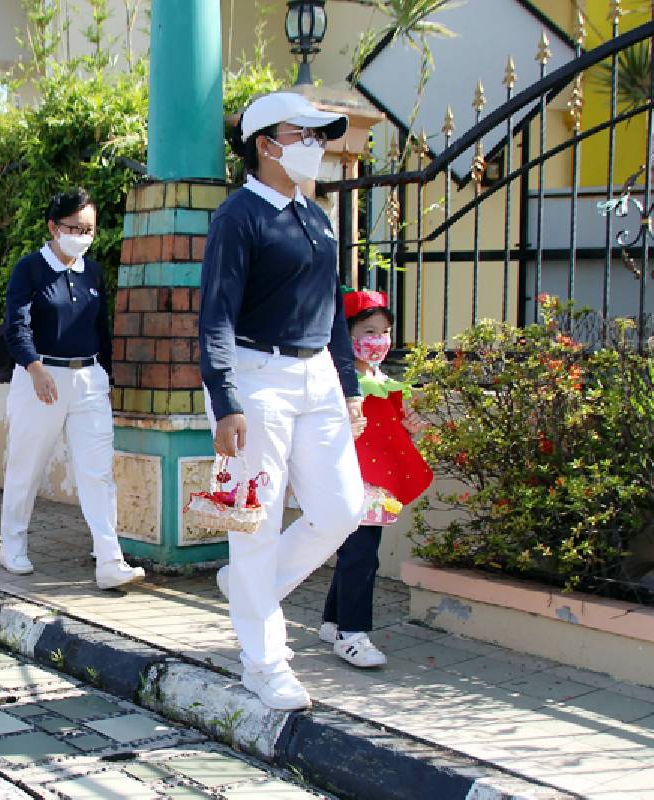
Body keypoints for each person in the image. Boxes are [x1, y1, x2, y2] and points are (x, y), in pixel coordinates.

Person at [198, 92, 367, 710]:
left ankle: (247, 589)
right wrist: (225, 399)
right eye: (306, 135)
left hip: (317, 373)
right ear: (266, 143)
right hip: (254, 375)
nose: (317, 148)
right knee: (253, 523)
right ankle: (265, 663)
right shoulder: (238, 216)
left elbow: (336, 311)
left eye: (321, 138)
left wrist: (347, 388)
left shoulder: (317, 215)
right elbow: (215, 313)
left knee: (343, 509)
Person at [0, 188, 145, 591]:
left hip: (88, 380)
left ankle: (109, 558)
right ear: (52, 227)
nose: (81, 235)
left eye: (88, 229)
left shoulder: (93, 272)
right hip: (41, 379)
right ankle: (12, 544)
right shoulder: (30, 269)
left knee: (97, 471)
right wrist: (34, 366)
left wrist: (108, 377)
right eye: (73, 228)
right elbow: (16, 325)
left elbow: (102, 329)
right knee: (26, 466)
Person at [319, 290, 432, 667]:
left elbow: (390, 428)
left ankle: (334, 622)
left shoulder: (384, 380)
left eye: (384, 332)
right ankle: (352, 634)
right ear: (346, 335)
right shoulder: (336, 381)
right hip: (350, 475)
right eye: (369, 331)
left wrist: (411, 426)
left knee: (358, 551)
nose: (379, 340)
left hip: (376, 479)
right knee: (361, 554)